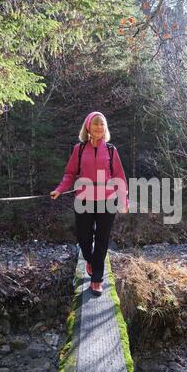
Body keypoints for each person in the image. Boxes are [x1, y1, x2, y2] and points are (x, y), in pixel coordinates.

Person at [50, 111, 129, 296]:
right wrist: (60, 189)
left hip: (107, 200)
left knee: (102, 241)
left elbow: (119, 176)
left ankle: (96, 280)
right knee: (83, 237)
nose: (99, 128)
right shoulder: (78, 149)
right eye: (96, 125)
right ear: (88, 127)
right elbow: (70, 173)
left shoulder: (111, 150)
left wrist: (124, 199)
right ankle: (90, 260)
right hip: (83, 199)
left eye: (102, 125)